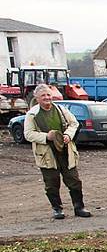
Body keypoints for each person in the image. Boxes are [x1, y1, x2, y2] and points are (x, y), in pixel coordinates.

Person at [23, 84, 91, 219]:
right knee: (52, 184)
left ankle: (79, 207)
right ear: (37, 98)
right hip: (47, 154)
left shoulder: (61, 109)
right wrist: (46, 137)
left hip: (66, 152)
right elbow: (28, 134)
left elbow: (74, 123)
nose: (47, 98)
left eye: (48, 95)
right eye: (43, 95)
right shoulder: (32, 114)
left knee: (74, 181)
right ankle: (57, 209)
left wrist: (68, 135)